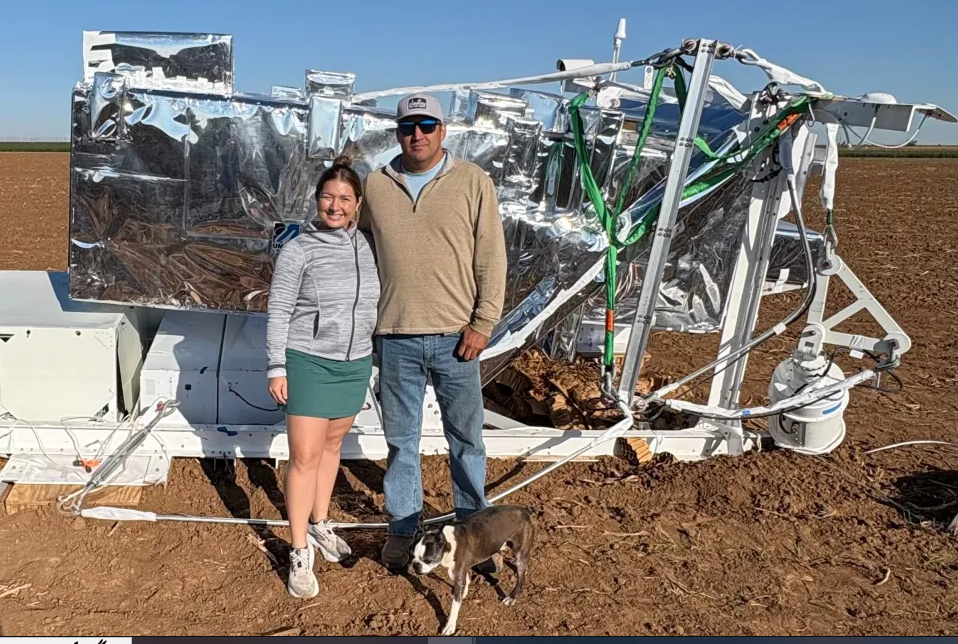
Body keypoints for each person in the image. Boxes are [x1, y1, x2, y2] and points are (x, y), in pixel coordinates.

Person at [358, 93, 508, 571]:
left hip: (456, 338)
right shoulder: (377, 186)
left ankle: (475, 535)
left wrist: (483, 323)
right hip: (396, 335)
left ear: (443, 130)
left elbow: (491, 257)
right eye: (407, 126)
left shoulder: (471, 181)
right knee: (402, 441)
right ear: (397, 132)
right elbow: (358, 250)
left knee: (466, 440)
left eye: (426, 125)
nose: (416, 134)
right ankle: (403, 531)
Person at [265, 155, 381, 598]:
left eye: (344, 198)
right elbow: (278, 311)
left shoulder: (369, 245)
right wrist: (277, 366)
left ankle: (320, 523)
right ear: (316, 201)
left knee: (333, 446)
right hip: (308, 360)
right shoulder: (299, 249)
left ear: (357, 203)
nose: (335, 206)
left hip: (354, 362)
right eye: (327, 197)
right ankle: (298, 550)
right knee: (305, 457)